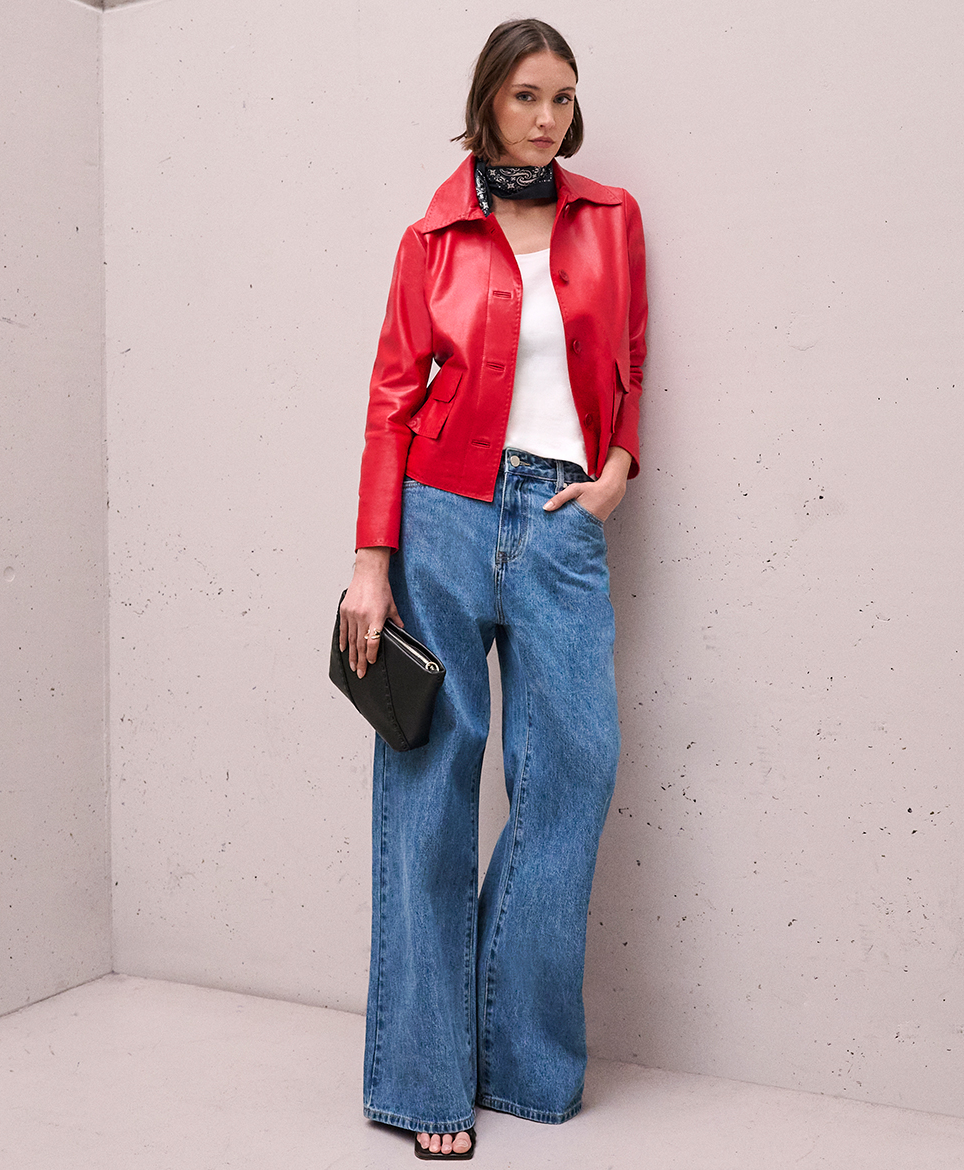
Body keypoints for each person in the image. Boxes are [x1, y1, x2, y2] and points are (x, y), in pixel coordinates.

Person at [336, 17, 648, 1160]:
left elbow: (628, 360)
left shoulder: (611, 219)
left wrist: (619, 469)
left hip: (561, 520)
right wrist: (371, 562)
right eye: (527, 95)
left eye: (563, 96)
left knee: (575, 765)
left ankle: (519, 1061)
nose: (548, 117)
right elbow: (390, 398)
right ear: (489, 101)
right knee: (431, 783)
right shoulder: (433, 234)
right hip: (442, 516)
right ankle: (426, 1084)